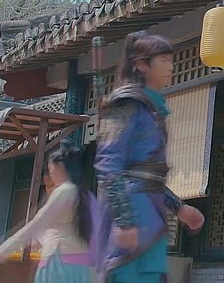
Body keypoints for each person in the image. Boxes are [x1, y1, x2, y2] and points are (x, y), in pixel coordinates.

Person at [94, 31, 204, 282]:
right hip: (130, 211)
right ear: (142, 65)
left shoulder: (151, 109)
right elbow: (108, 164)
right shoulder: (126, 104)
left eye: (170, 60)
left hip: (151, 211)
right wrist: (124, 220)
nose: (170, 67)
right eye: (163, 61)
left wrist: (178, 206)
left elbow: (150, 173)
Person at [0, 139, 95, 282]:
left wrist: (5, 249)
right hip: (83, 266)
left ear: (60, 167)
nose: (50, 176)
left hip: (58, 263)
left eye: (51, 170)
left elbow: (36, 224)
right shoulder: (87, 195)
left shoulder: (64, 191)